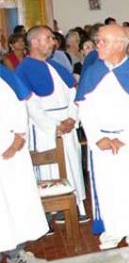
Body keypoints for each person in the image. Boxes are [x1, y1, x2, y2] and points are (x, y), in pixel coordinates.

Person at [76, 25, 129, 250]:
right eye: (98, 41)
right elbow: (84, 108)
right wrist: (96, 137)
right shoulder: (93, 71)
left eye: (103, 41)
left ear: (120, 45)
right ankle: (111, 229)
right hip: (101, 140)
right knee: (108, 185)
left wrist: (126, 137)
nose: (98, 45)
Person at [15, 26, 87, 220]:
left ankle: (76, 205)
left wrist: (73, 117)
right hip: (45, 129)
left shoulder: (56, 66)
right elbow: (30, 106)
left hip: (68, 125)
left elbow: (74, 93)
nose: (53, 42)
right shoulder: (23, 70)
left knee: (72, 164)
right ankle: (52, 211)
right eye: (48, 38)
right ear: (35, 42)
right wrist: (56, 125)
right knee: (49, 169)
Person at [0, 66, 48, 263]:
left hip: (10, 150)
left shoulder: (5, 75)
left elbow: (20, 105)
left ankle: (14, 253)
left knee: (15, 202)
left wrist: (18, 137)